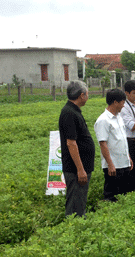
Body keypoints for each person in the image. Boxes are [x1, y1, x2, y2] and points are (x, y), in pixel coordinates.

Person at [58, 81, 95, 217]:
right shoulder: (69, 113)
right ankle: (73, 228)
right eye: (87, 94)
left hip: (81, 168)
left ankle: (78, 224)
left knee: (80, 201)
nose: (87, 96)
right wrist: (80, 169)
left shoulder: (73, 111)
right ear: (82, 95)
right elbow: (71, 143)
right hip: (75, 170)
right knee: (75, 203)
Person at [94, 89, 134, 202]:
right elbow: (103, 144)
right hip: (114, 165)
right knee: (111, 195)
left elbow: (122, 140)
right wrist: (110, 164)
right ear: (115, 102)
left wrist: (128, 157)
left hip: (123, 162)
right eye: (122, 102)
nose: (124, 105)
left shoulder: (119, 117)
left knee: (124, 193)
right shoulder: (103, 120)